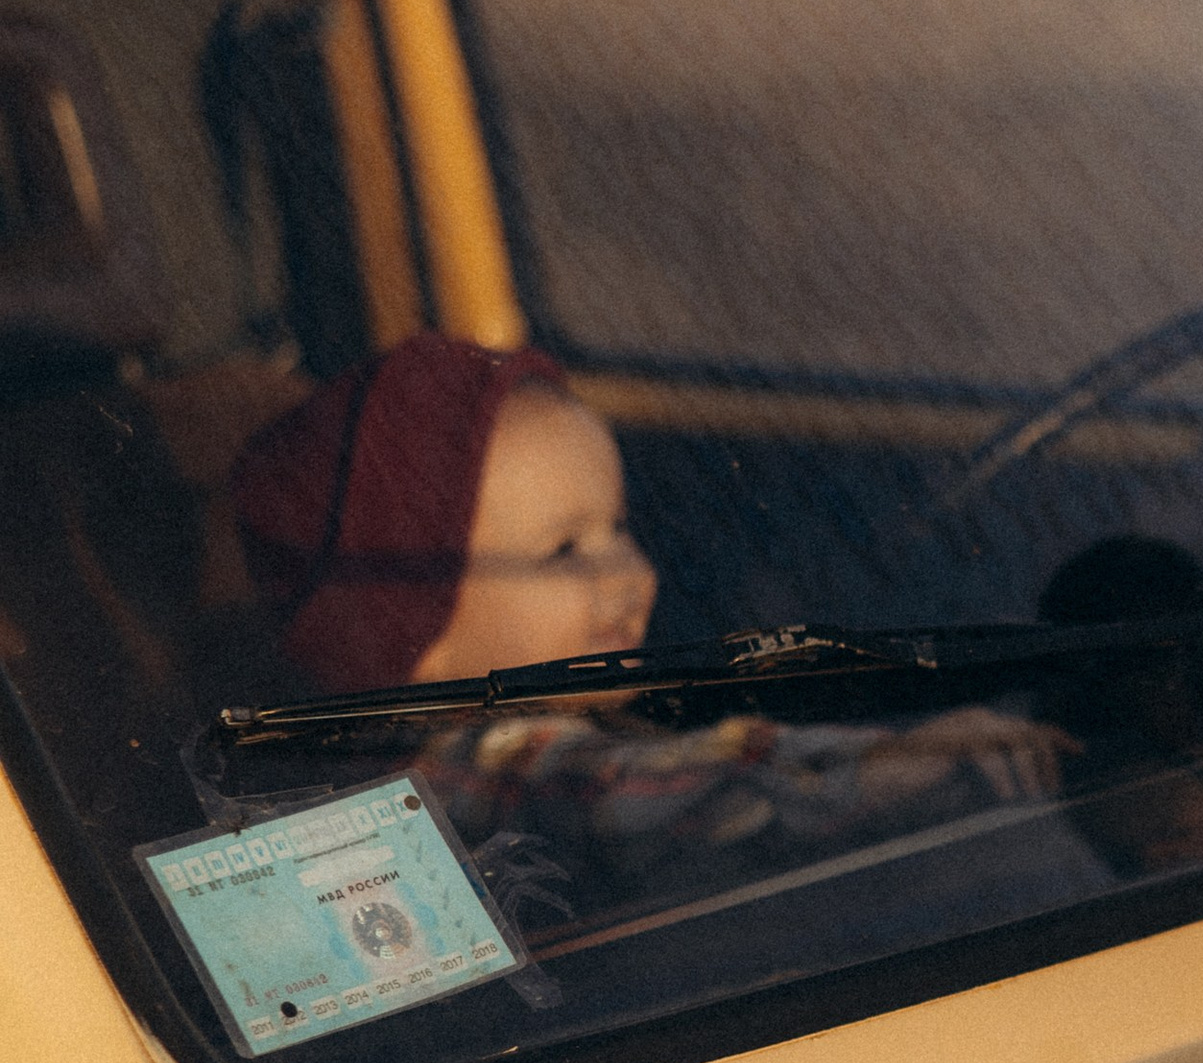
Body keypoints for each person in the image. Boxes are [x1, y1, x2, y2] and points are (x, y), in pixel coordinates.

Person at [228, 336, 1064, 906]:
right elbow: (644, 789)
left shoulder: (519, 734)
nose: (626, 577)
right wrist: (899, 764)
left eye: (620, 529)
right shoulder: (470, 772)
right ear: (410, 633)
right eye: (563, 553)